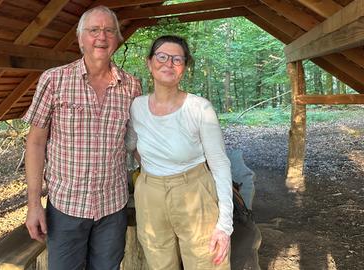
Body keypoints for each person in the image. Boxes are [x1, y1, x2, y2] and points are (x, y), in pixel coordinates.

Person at [22, 5, 141, 270]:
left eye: (110, 30)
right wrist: (33, 204)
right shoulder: (54, 80)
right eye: (94, 30)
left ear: (118, 39)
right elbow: (35, 142)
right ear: (80, 39)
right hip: (66, 206)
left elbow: (135, 142)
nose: (102, 37)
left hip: (113, 205)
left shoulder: (132, 85)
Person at [125, 35, 233, 270]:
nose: (169, 64)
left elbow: (220, 164)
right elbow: (130, 144)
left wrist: (225, 224)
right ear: (149, 62)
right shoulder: (137, 106)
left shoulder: (199, 108)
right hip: (150, 195)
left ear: (184, 67)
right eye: (162, 56)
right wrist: (153, 168)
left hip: (194, 191)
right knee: (159, 262)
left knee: (207, 262)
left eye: (177, 59)